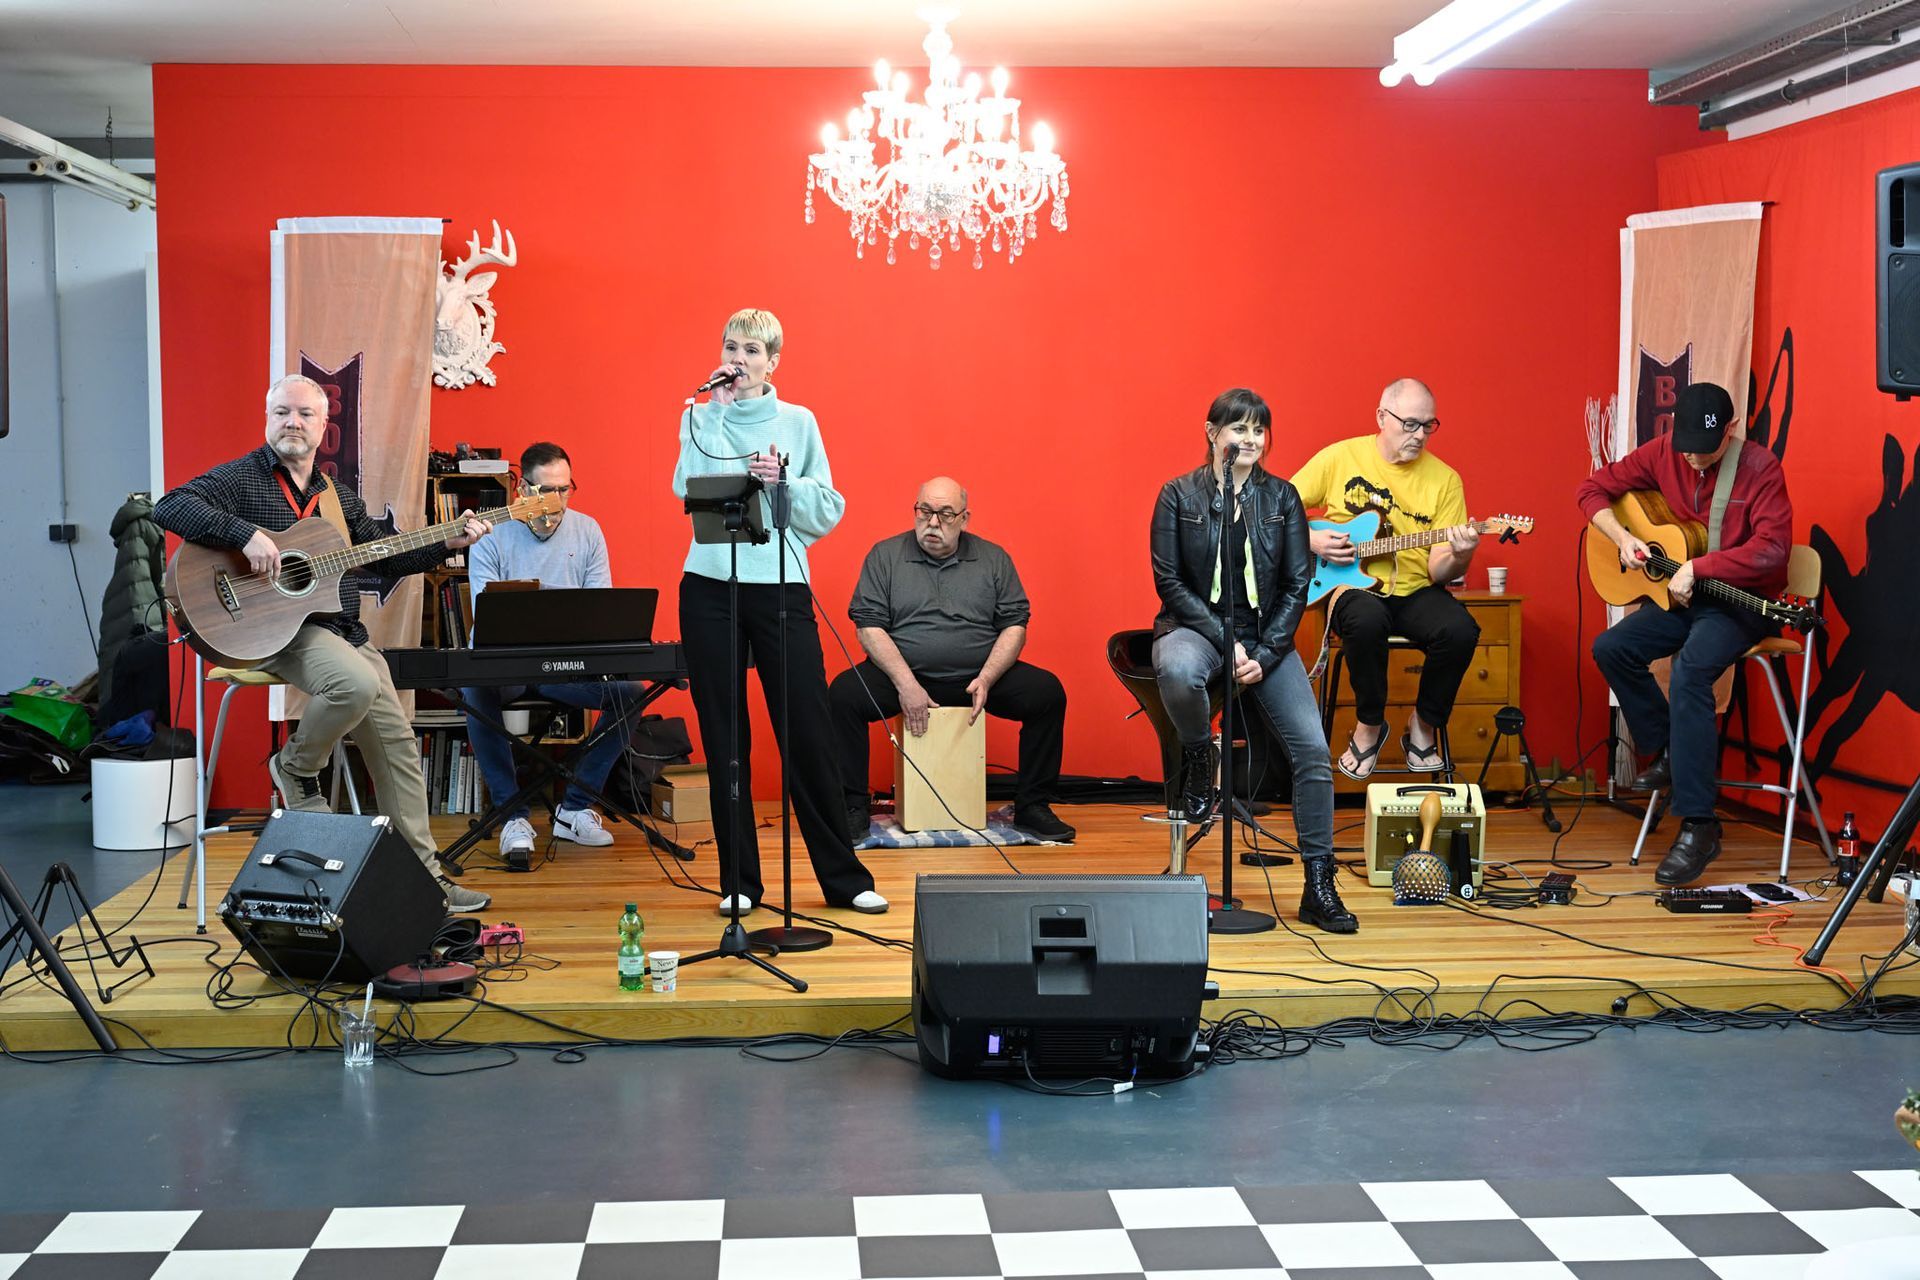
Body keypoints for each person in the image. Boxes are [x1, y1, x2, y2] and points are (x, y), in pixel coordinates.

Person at [154, 374, 494, 913]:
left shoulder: (335, 497)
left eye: (304, 414)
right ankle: (295, 766)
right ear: (268, 419)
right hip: (268, 629)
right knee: (354, 682)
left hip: (337, 629)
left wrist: (445, 543)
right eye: (282, 412)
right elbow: (170, 506)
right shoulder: (242, 478)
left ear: (323, 426)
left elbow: (384, 554)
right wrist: (245, 535)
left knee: (399, 747)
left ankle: (426, 882)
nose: (292, 422)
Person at [671, 308, 887, 915]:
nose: (736, 359)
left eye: (750, 350)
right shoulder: (699, 415)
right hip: (709, 585)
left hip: (780, 585)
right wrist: (714, 415)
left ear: (772, 363)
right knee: (725, 735)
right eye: (729, 347)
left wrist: (780, 482)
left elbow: (828, 504)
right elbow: (688, 488)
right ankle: (739, 882)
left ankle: (844, 880)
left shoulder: (798, 421)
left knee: (808, 731)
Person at [1151, 388, 1355, 934]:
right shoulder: (1177, 495)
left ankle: (1319, 884)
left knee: (1313, 751)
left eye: (1259, 430)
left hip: (1267, 637)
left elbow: (1296, 584)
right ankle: (1200, 754)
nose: (1250, 439)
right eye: (1238, 428)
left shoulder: (1283, 498)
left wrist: (1265, 653)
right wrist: (1224, 638)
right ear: (1212, 433)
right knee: (1178, 670)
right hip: (1195, 627)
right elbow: (1169, 582)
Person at [1579, 381, 1793, 884]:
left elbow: (1773, 550)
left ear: (1731, 430)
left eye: (1706, 449)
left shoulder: (1760, 468)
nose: (1694, 458)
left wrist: (1701, 566)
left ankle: (1699, 825)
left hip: (1741, 603)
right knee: (1612, 648)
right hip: (1685, 597)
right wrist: (1623, 536)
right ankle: (1671, 750)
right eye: (1687, 447)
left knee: (1692, 670)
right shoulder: (1664, 452)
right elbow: (1591, 490)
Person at [829, 477, 1075, 844]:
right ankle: (851, 807)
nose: (932, 523)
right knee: (844, 695)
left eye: (945, 514)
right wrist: (907, 684)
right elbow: (868, 627)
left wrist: (988, 677)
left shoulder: (993, 558)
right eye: (924, 511)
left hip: (976, 678)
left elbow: (1015, 625)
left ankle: (1033, 806)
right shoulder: (885, 555)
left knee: (1046, 693)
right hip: (904, 675)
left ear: (964, 518)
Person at [462, 441, 649, 859]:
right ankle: (513, 816)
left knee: (631, 694)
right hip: (505, 668)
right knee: (475, 690)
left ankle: (575, 808)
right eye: (547, 490)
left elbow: (600, 612)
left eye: (565, 489)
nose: (558, 500)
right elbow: (486, 614)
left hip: (566, 668)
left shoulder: (588, 531)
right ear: (522, 490)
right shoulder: (492, 533)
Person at [1292, 377, 1480, 780]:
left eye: (1428, 425)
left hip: (1414, 590)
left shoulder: (1445, 480)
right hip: (1348, 585)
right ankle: (1370, 725)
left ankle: (1423, 724)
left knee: (1461, 630)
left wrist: (1462, 554)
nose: (1420, 435)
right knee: (1366, 621)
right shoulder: (1340, 457)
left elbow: (1439, 570)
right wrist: (1312, 538)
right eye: (1410, 424)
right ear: (1381, 417)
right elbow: (1277, 508)